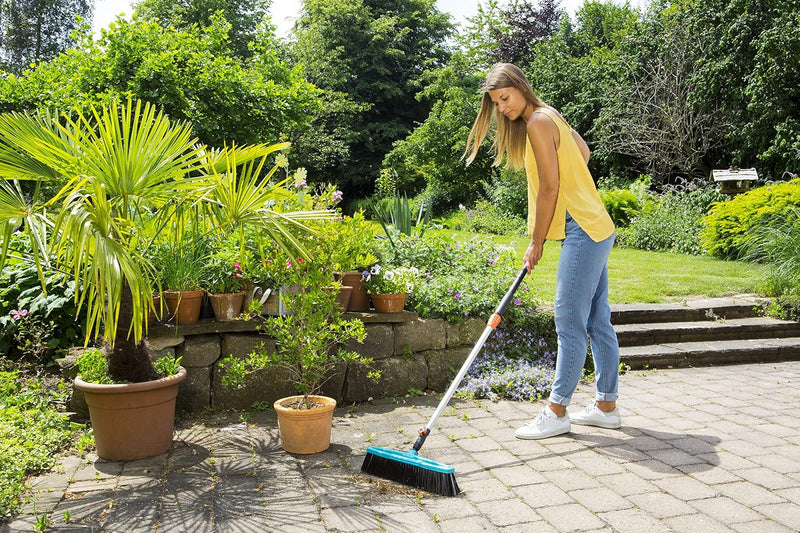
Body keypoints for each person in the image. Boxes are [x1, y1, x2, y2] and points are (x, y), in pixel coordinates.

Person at [464, 63, 621, 439]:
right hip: (596, 223)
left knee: (568, 322)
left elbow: (549, 187)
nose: (502, 108)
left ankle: (557, 411)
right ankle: (605, 406)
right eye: (496, 104)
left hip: (581, 229)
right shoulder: (550, 114)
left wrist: (536, 242)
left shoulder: (537, 123)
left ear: (519, 87)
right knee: (597, 321)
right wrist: (573, 187)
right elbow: (581, 153)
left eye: (505, 98)